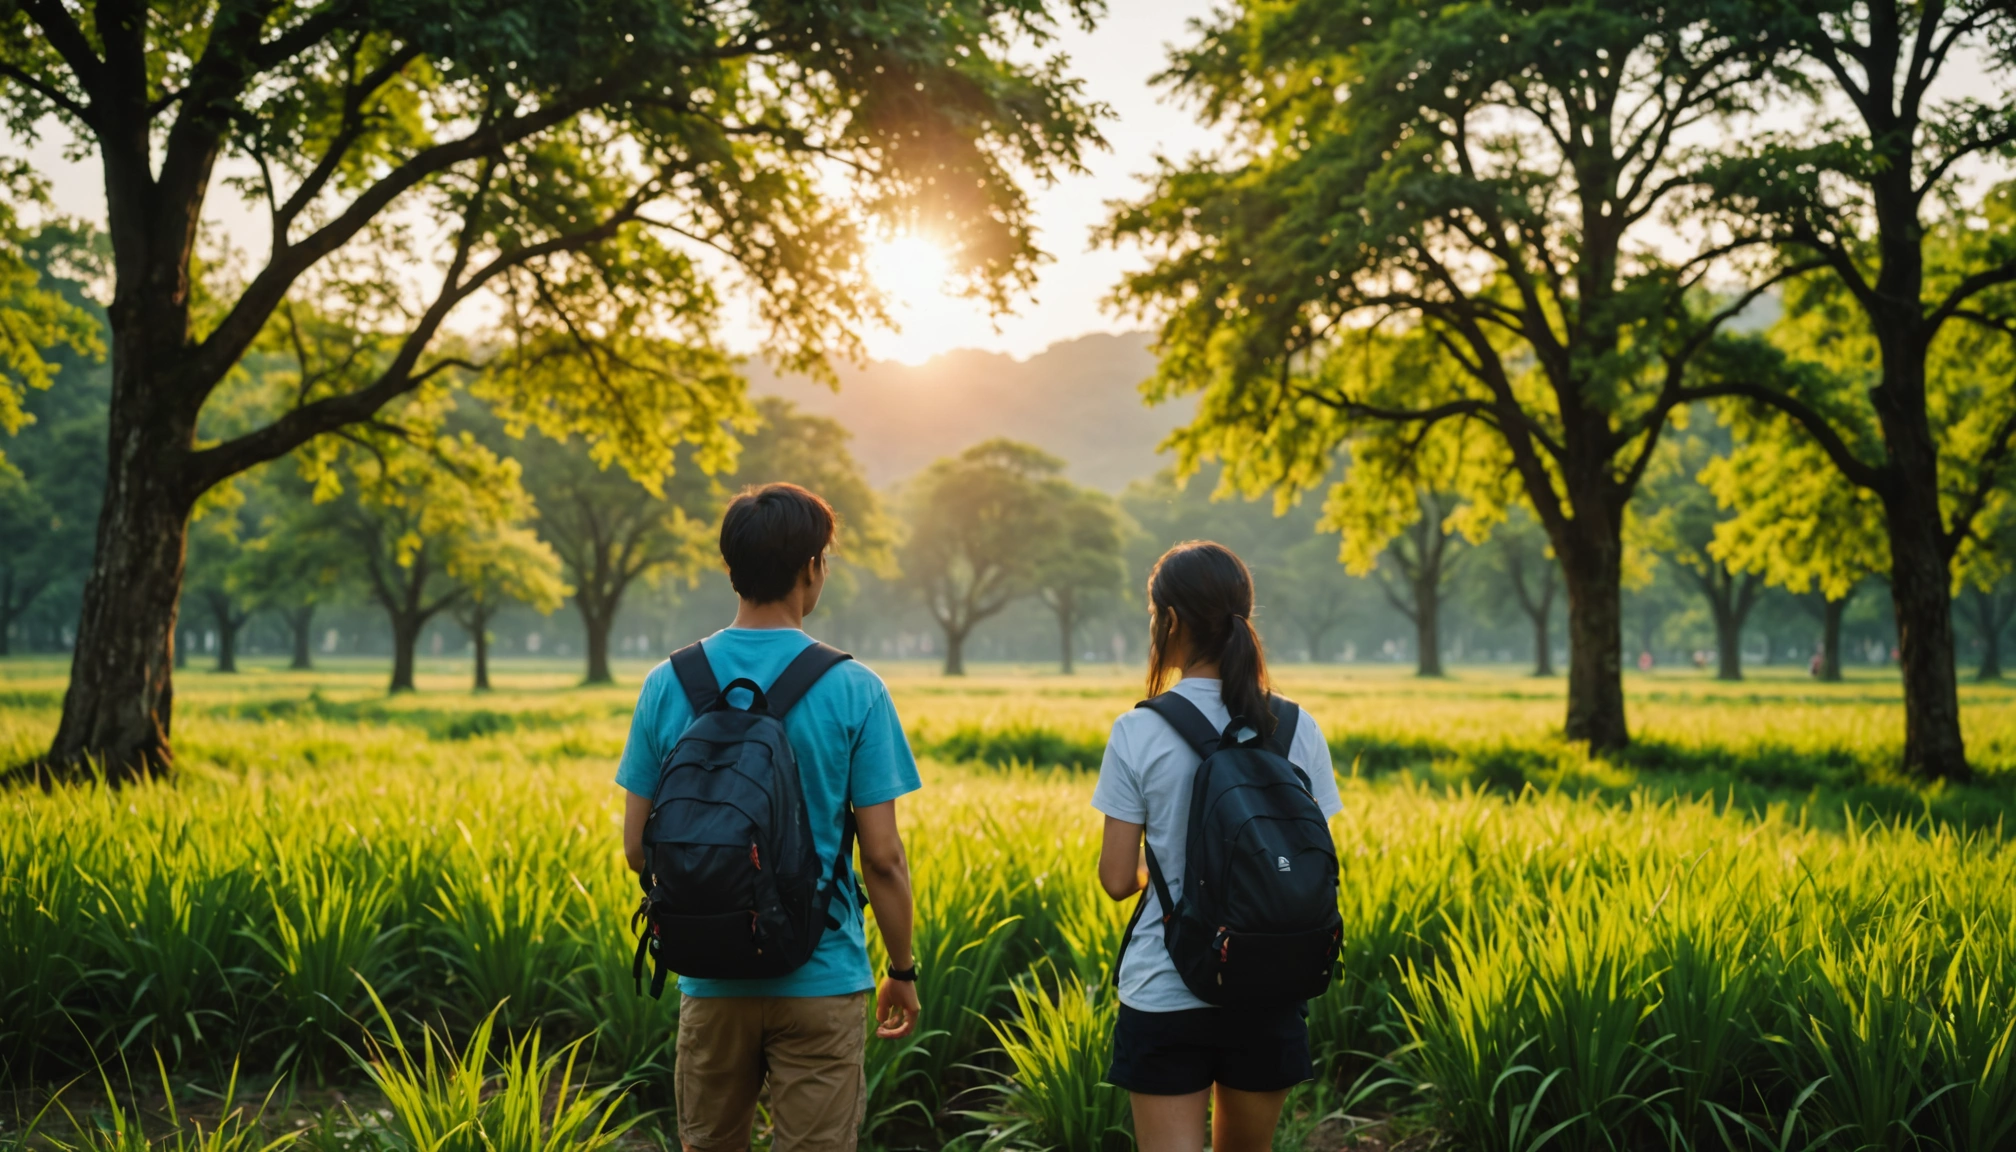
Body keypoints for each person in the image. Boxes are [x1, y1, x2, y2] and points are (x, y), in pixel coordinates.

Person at [616, 482, 921, 1152]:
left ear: (732, 568)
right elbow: (883, 858)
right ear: (812, 567)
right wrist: (902, 970)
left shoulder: (668, 683)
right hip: (821, 973)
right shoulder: (854, 688)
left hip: (710, 974)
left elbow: (638, 850)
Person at [1092, 541, 1344, 1152]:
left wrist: (1180, 876)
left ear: (1169, 620)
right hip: (1270, 979)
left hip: (1167, 985)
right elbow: (1308, 860)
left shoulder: (1139, 730)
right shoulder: (1295, 726)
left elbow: (1117, 878)